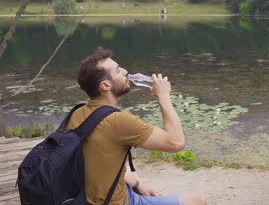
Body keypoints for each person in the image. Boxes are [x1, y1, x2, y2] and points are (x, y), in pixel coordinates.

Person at [68, 47, 207, 205]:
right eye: (119, 71)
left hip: (86, 199)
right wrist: (163, 96)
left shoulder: (76, 114)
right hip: (117, 202)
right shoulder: (118, 121)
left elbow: (102, 165)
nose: (126, 72)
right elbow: (176, 142)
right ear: (105, 85)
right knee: (197, 200)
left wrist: (138, 184)